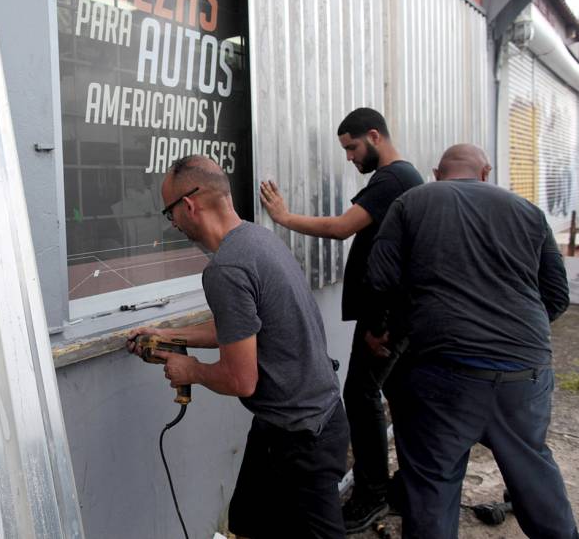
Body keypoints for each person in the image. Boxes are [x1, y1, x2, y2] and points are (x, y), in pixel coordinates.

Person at [128, 154, 348, 538]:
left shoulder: (225, 269)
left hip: (301, 438)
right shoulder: (258, 239)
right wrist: (167, 334)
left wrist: (189, 370)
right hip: (294, 422)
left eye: (170, 213)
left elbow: (241, 380)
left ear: (190, 206)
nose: (173, 223)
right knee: (247, 523)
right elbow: (238, 327)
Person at [367, 144, 578, 539]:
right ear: (486, 172)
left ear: (436, 172)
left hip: (444, 375)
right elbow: (556, 295)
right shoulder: (528, 211)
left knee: (433, 482)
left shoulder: (412, 203)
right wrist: (519, 335)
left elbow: (381, 279)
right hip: (525, 374)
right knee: (532, 469)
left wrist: (385, 330)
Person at [259, 107, 423, 531]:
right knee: (396, 397)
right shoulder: (401, 179)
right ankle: (408, 487)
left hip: (384, 317)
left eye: (352, 147)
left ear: (374, 135)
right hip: (389, 314)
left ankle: (372, 494)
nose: (349, 157)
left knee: (361, 395)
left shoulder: (393, 179)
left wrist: (283, 218)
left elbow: (340, 227)